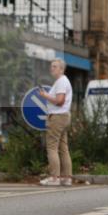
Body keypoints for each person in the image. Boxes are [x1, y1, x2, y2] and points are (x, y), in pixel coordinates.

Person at [38, 59, 74, 187]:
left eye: (54, 66)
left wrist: (44, 95)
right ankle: (67, 177)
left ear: (61, 69)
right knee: (63, 148)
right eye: (51, 66)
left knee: (52, 147)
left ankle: (54, 177)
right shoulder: (62, 81)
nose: (51, 68)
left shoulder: (61, 81)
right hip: (64, 116)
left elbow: (60, 101)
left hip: (57, 117)